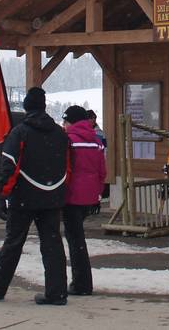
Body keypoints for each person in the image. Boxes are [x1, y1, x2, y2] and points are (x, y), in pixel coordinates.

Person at [0, 87, 69, 306]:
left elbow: (9, 167)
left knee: (14, 242)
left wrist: (1, 196)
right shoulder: (60, 134)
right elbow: (67, 166)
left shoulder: (20, 132)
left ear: (26, 107)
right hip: (52, 196)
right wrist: (60, 191)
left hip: (24, 197)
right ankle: (57, 292)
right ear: (44, 106)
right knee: (53, 244)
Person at [61, 105, 106, 296]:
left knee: (75, 240)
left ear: (72, 122)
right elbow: (102, 171)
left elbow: (64, 170)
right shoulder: (96, 141)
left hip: (72, 196)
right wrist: (97, 193)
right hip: (89, 197)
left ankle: (81, 284)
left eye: (65, 121)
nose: (63, 125)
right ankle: (82, 282)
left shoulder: (68, 141)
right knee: (78, 238)